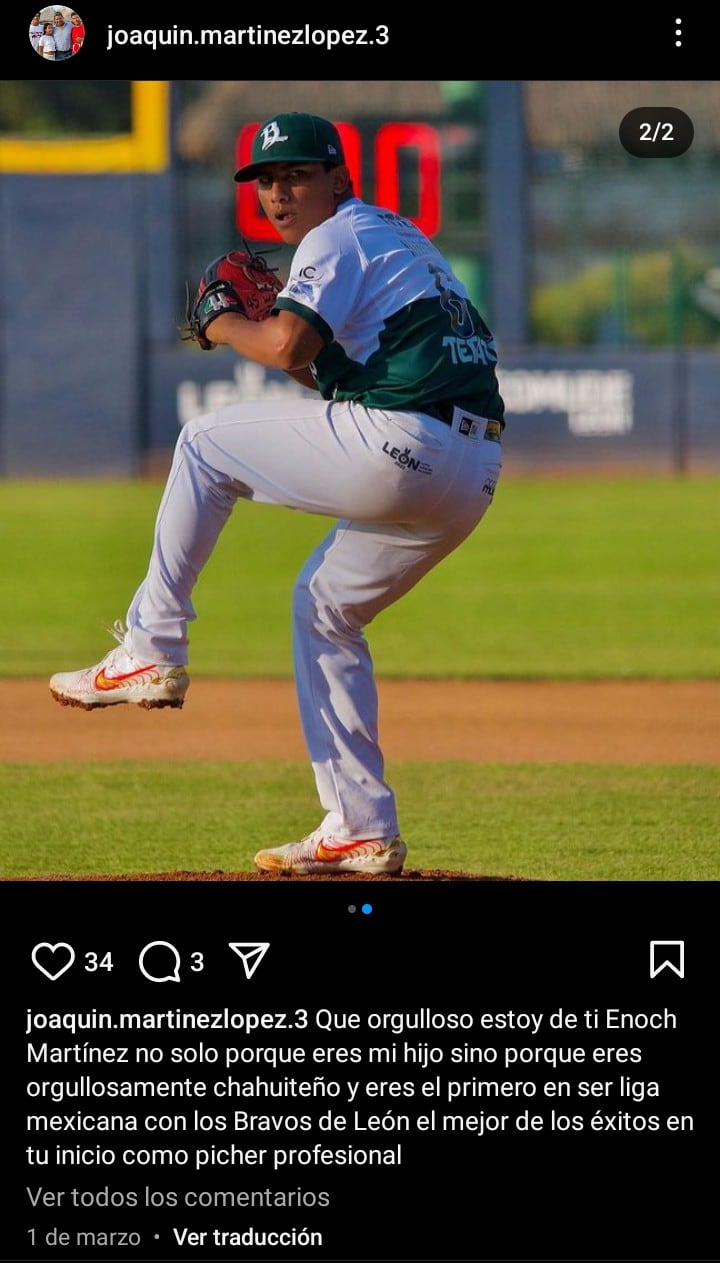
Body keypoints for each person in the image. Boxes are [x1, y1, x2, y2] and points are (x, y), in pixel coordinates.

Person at [50, 112, 505, 876]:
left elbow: (286, 344)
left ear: (339, 178)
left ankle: (149, 648)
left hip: (408, 443)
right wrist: (253, 326)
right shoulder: (397, 240)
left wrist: (222, 321)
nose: (278, 192)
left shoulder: (337, 239)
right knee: (324, 608)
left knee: (202, 443)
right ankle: (360, 827)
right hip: (471, 470)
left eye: (296, 173)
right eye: (265, 179)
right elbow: (319, 369)